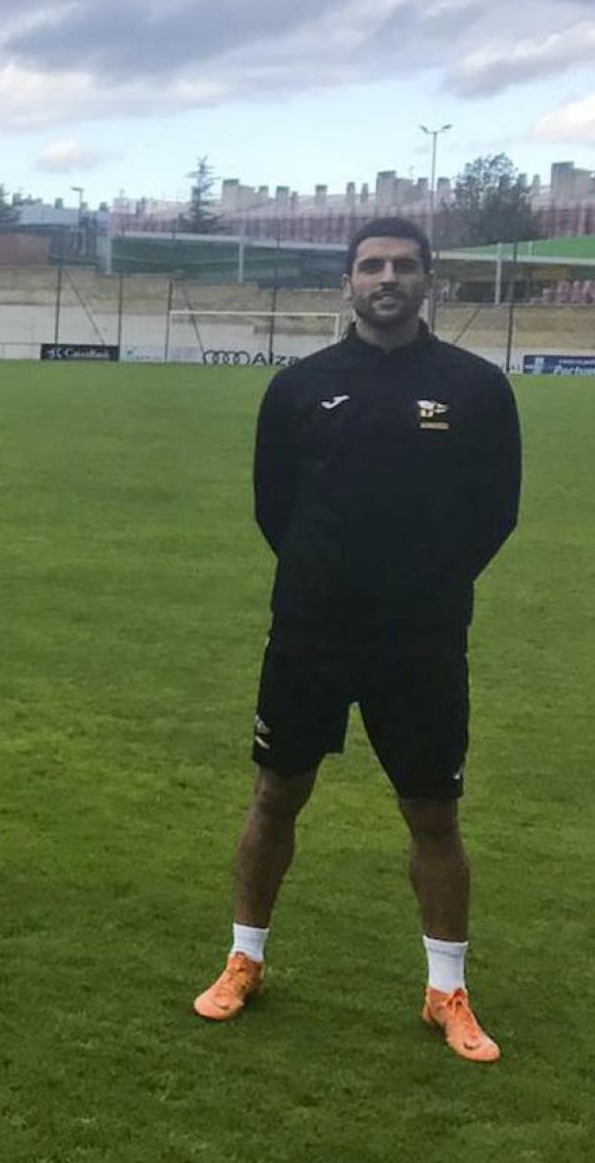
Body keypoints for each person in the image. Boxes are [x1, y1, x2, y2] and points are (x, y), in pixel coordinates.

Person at [193, 217, 521, 1063]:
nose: (388, 278)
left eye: (404, 266)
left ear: (429, 282)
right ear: (347, 282)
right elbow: (277, 507)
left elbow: (496, 512)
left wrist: (425, 587)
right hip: (311, 634)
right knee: (275, 796)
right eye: (372, 265)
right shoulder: (299, 388)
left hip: (421, 641)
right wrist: (323, 578)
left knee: (434, 815)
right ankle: (244, 959)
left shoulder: (477, 388)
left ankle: (446, 990)